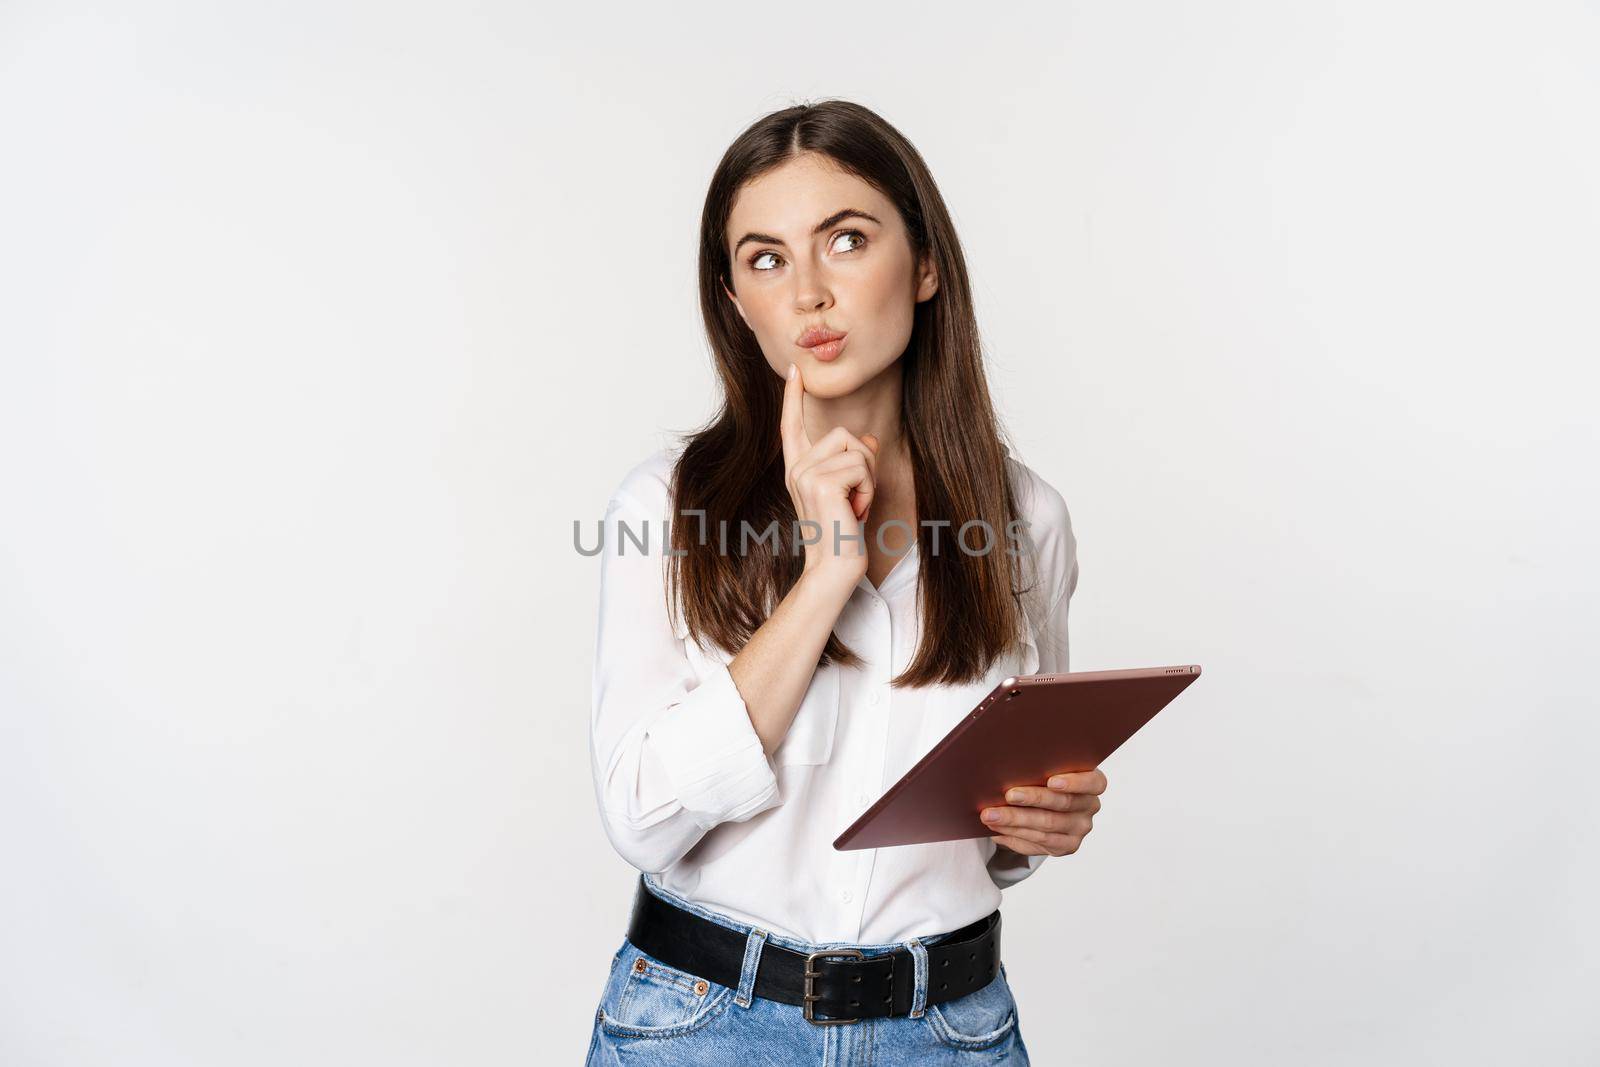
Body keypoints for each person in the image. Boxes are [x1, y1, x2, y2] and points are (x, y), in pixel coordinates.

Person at [584, 98, 1104, 1066]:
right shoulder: (664, 503)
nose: (809, 293)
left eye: (847, 239)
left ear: (926, 265)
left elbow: (995, 837)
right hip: (703, 1028)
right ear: (736, 299)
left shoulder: (1027, 518)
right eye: (766, 257)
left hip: (950, 1027)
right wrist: (828, 571)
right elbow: (644, 818)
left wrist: (1036, 821)